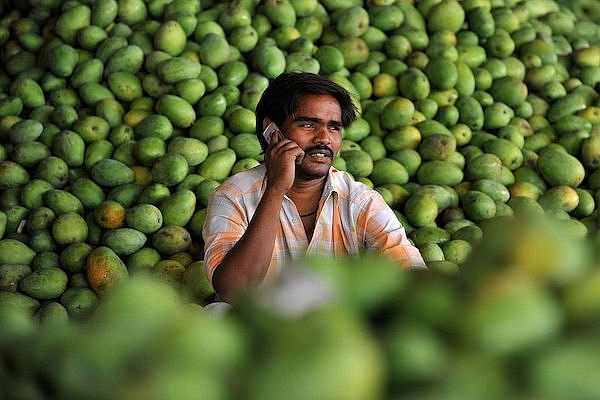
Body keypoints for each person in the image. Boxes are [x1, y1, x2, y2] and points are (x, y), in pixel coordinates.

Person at [202, 72, 426, 302]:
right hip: (262, 330)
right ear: (272, 131)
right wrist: (276, 189)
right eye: (309, 125)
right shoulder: (233, 196)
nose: (324, 139)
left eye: (334, 128)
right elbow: (232, 290)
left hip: (337, 330)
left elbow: (411, 270)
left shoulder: (359, 200)